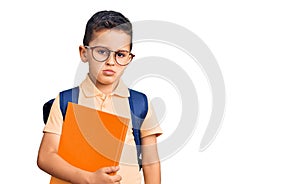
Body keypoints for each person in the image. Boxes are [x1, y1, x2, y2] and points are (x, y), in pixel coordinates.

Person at [37, 10, 162, 184]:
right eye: (102, 52)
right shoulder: (67, 101)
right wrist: (89, 179)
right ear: (84, 53)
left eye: (120, 54)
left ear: (129, 58)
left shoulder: (139, 103)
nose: (111, 61)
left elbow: (151, 162)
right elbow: (46, 156)